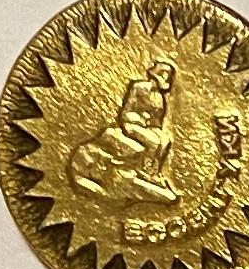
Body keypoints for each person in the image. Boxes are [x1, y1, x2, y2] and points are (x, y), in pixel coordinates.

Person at [68, 59, 181, 203]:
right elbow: (126, 111)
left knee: (165, 141)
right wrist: (138, 120)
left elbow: (157, 122)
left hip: (146, 127)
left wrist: (157, 132)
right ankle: (144, 171)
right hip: (132, 123)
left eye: (166, 76)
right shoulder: (139, 87)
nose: (164, 79)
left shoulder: (159, 98)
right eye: (162, 75)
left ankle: (154, 172)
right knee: (153, 142)